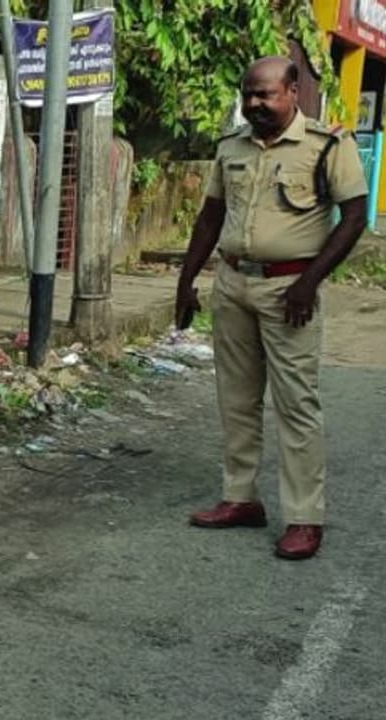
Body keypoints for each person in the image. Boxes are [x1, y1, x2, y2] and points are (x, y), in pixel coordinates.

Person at [178, 56, 367, 560]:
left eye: (266, 94)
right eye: (249, 95)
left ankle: (306, 517)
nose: (255, 104)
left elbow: (354, 217)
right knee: (235, 400)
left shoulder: (328, 145)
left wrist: (310, 281)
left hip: (290, 292)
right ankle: (240, 499)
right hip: (234, 283)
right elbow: (210, 216)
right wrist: (186, 279)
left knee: (296, 405)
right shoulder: (231, 147)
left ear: (293, 91)